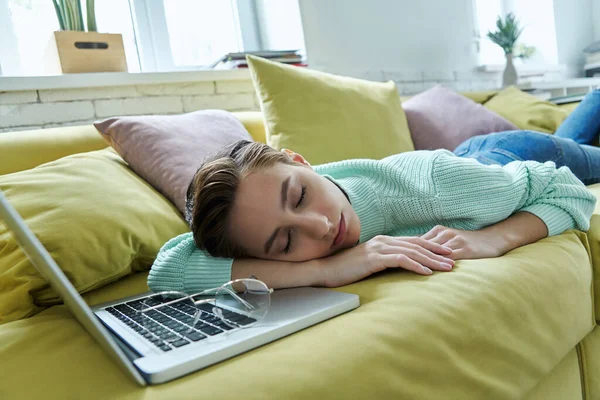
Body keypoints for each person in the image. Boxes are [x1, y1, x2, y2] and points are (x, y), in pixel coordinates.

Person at [147, 89, 600, 294]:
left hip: (504, 159)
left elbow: (564, 191)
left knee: (583, 158)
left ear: (302, 161)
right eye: (285, 242)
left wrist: (495, 238)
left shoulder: (439, 188)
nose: (321, 227)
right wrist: (326, 270)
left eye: (300, 196)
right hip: (463, 160)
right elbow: (168, 268)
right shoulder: (271, 210)